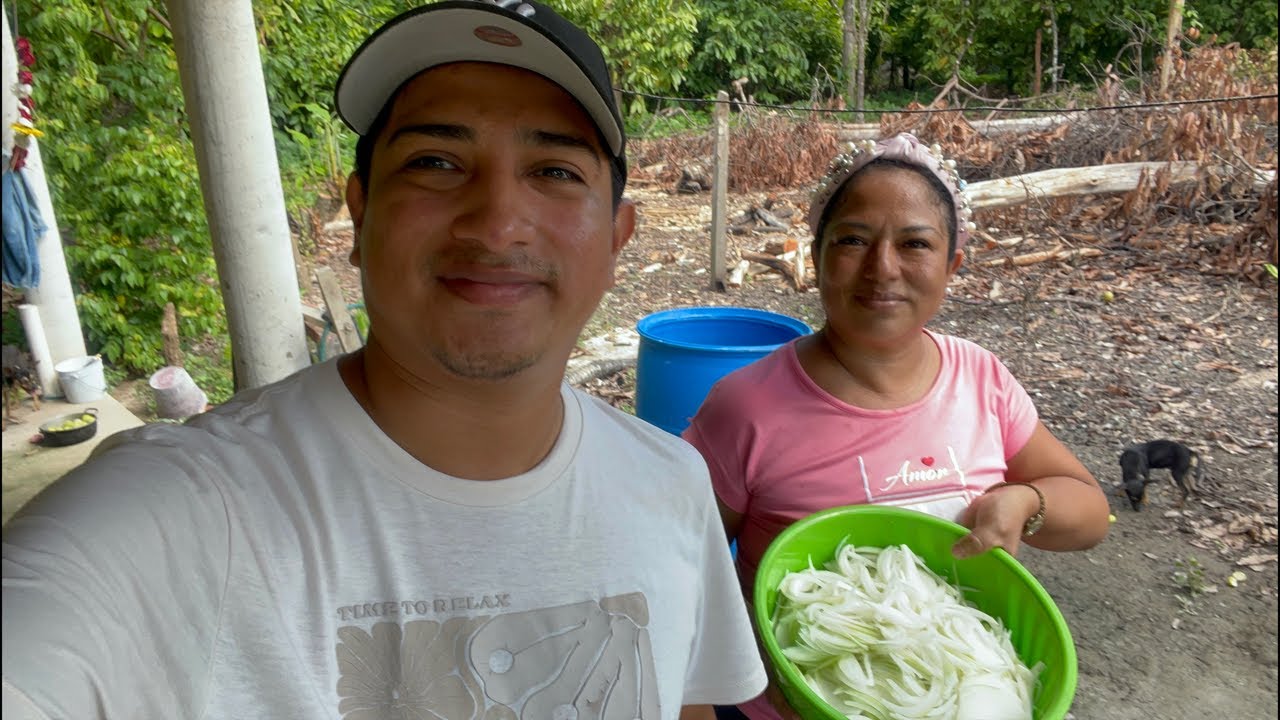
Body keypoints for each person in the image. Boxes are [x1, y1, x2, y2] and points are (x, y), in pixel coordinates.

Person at [0, 2, 767, 718]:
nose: (498, 225)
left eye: (555, 172)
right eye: (435, 162)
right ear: (360, 210)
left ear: (616, 237)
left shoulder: (670, 484)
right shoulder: (177, 514)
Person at [681, 132, 1111, 720]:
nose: (882, 269)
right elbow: (678, 561)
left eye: (915, 243)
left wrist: (1024, 502)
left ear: (952, 264)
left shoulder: (980, 380)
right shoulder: (748, 406)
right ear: (818, 254)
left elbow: (1089, 512)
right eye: (854, 240)